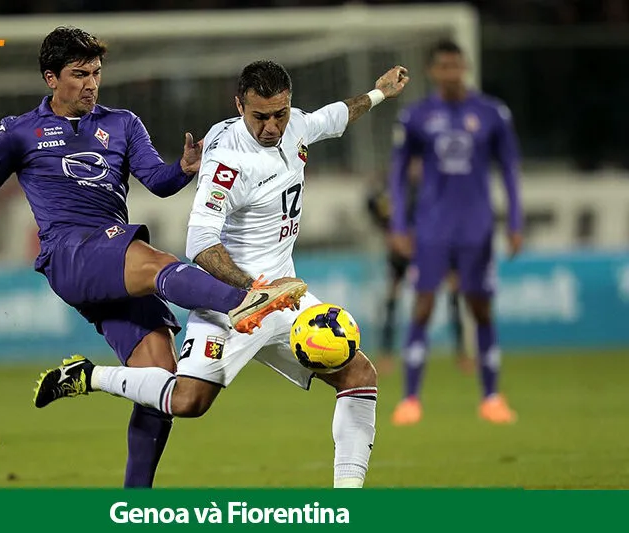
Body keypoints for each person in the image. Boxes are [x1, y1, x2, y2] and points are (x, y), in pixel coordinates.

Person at [0, 27, 306, 488]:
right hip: (70, 253)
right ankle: (247, 300)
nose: (91, 84)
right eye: (79, 74)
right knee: (155, 262)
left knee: (159, 383)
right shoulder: (19, 132)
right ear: (51, 78)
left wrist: (183, 169)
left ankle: (133, 502)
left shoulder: (123, 124)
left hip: (113, 261)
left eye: (96, 73)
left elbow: (156, 181)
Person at [34, 59, 410, 488]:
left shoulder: (295, 126)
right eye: (260, 117)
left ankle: (348, 505)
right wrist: (252, 290)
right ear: (239, 106)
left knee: (359, 375)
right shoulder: (227, 163)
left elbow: (334, 116)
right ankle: (88, 376)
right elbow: (200, 244)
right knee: (188, 401)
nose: (272, 127)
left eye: (280, 114)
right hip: (233, 303)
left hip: (284, 296)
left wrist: (378, 93)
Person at [388, 39, 523, 426]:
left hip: (477, 227)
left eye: (456, 66)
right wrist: (399, 224)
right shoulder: (416, 116)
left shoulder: (492, 113)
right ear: (433, 71)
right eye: (444, 67)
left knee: (480, 308)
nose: (451, 73)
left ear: (465, 68)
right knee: (423, 305)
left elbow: (509, 169)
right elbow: (398, 174)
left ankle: (491, 397)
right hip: (432, 227)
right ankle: (410, 399)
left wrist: (515, 221)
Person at [366, 174, 471, 375]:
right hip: (402, 250)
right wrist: (391, 234)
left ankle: (462, 353)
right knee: (392, 297)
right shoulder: (394, 187)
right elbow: (374, 204)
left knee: (454, 292)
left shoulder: (435, 184)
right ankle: (386, 354)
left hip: (433, 247)